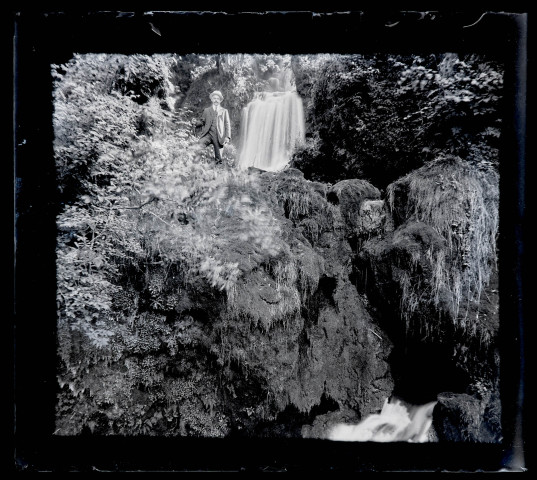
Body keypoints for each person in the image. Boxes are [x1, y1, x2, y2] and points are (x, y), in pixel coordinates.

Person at [192, 90, 231, 164]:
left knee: (218, 158)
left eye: (217, 98)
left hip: (219, 136)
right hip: (208, 134)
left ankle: (217, 172)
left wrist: (227, 137)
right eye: (214, 98)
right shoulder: (207, 110)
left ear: (220, 100)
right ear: (212, 99)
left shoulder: (224, 111)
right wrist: (195, 123)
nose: (216, 100)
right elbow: (202, 121)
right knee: (199, 145)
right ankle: (196, 166)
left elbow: (227, 124)